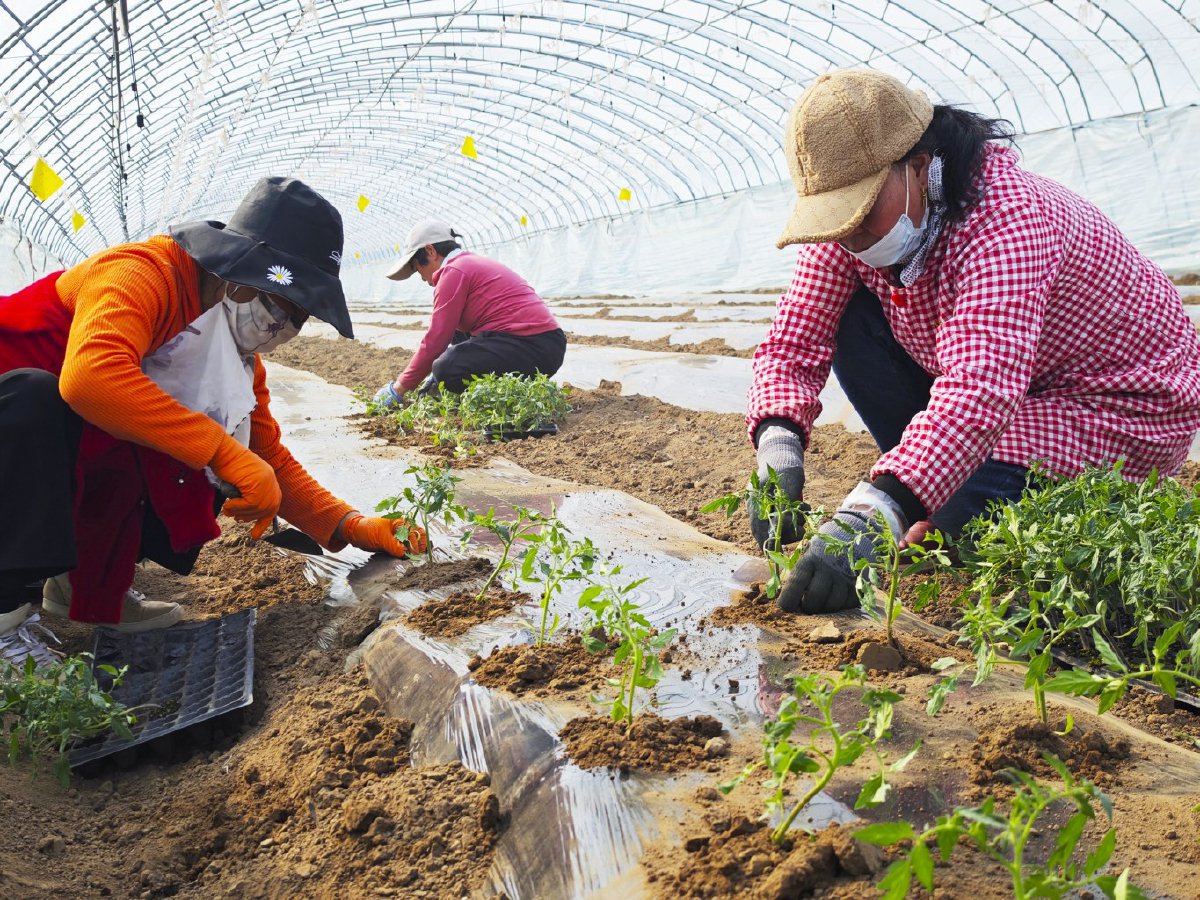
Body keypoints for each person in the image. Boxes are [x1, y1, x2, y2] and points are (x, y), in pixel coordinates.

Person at [747, 69, 1200, 616]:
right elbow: (795, 339)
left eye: (863, 210)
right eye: (836, 218)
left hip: (1117, 403)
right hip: (1012, 389)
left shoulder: (1006, 218)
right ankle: (925, 482)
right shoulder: (850, 229)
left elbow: (979, 390)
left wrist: (876, 510)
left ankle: (930, 490)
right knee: (851, 321)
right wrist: (779, 445)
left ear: (917, 165)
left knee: (959, 530)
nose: (851, 234)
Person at [0, 177, 427, 666]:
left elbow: (267, 460)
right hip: (11, 422)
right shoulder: (144, 272)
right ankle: (4, 619)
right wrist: (223, 453)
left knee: (168, 446)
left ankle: (85, 584)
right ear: (243, 275)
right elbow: (90, 379)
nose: (286, 326)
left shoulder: (236, 357)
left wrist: (350, 525)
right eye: (286, 303)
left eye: (302, 315)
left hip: (47, 451)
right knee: (40, 398)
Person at [373, 220, 566, 407]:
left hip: (534, 346)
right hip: (544, 345)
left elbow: (435, 341)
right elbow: (447, 333)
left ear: (430, 251)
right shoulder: (468, 262)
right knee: (455, 330)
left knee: (446, 368)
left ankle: (503, 397)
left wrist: (398, 389)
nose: (422, 278)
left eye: (418, 268)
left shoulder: (454, 271)